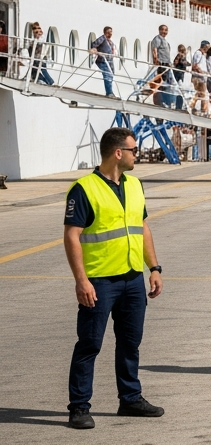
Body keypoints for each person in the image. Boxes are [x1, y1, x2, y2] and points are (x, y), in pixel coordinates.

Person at [62, 127, 165, 429]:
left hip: (133, 278)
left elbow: (142, 227)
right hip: (100, 282)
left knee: (130, 343)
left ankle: (130, 398)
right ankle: (79, 406)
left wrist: (154, 268)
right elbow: (72, 236)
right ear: (118, 153)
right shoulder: (84, 188)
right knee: (90, 344)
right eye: (134, 150)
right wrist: (81, 280)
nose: (138, 155)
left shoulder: (134, 185)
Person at [144, 24, 172, 106]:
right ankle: (156, 101)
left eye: (166, 30)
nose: (164, 32)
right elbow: (154, 49)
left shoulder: (165, 41)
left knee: (162, 84)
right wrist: (156, 59)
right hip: (161, 63)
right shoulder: (157, 39)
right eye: (163, 30)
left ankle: (161, 101)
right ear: (159, 30)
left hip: (166, 64)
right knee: (158, 83)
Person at [89, 26, 116, 98]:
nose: (110, 33)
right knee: (107, 75)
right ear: (105, 32)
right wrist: (95, 51)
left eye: (111, 31)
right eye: (109, 31)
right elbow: (94, 44)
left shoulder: (110, 41)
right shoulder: (102, 38)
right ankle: (109, 93)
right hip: (102, 60)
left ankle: (110, 92)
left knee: (111, 75)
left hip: (109, 61)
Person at [189, 42, 208, 115]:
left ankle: (201, 109)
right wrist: (202, 73)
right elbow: (195, 65)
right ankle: (194, 107)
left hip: (201, 78)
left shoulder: (203, 54)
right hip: (198, 78)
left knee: (201, 94)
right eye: (207, 48)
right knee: (200, 93)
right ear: (204, 47)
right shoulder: (198, 53)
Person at [171, 45, 188, 109]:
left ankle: (179, 105)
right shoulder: (180, 55)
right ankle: (179, 106)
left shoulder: (180, 56)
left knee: (179, 91)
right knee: (180, 91)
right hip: (179, 75)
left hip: (178, 74)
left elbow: (176, 63)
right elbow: (181, 62)